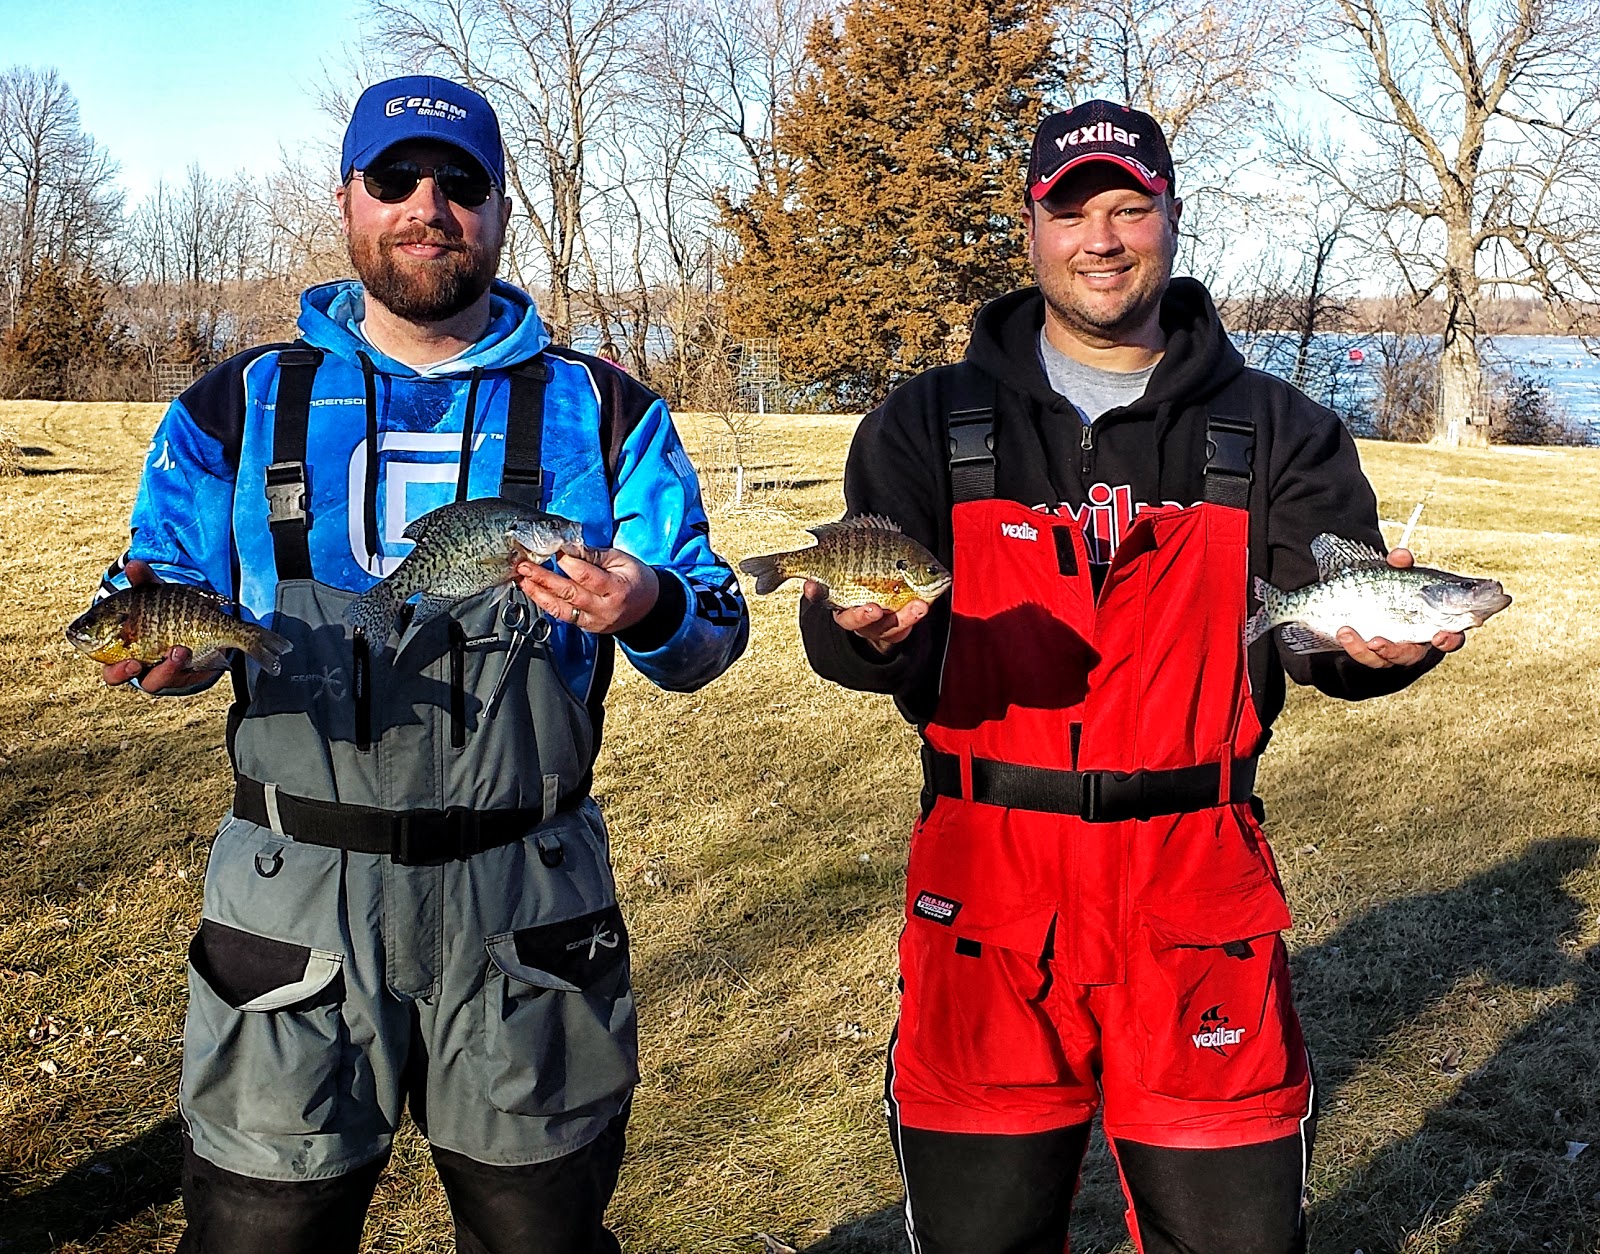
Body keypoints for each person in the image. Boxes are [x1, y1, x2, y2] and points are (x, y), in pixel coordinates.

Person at [798, 99, 1465, 1254]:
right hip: (985, 892)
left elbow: (1320, 639)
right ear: (1030, 228)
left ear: (1167, 216)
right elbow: (844, 639)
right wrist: (867, 631)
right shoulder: (927, 423)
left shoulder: (1279, 429)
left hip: (1198, 892)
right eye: (1072, 212)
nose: (1100, 239)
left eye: (1127, 207)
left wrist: (1378, 652)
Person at [96, 74, 748, 1253]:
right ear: (347, 198)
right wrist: (167, 660)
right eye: (393, 179)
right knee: (259, 1233)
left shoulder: (607, 416)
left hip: (526, 903)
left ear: (501, 212)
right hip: (290, 897)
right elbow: (150, 596)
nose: (427, 207)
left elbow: (709, 633)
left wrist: (643, 600)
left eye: (462, 185)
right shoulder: (230, 409)